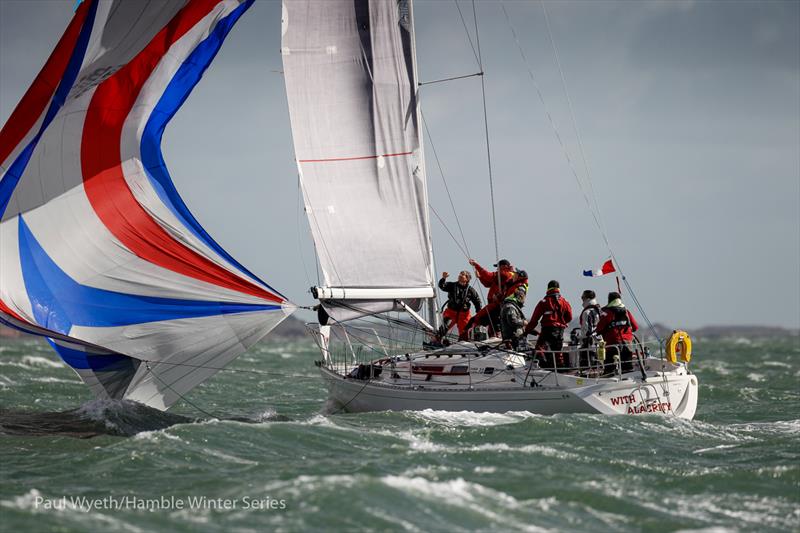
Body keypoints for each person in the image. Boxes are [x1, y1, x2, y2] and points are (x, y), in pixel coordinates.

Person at [460, 258, 521, 339]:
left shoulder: (504, 275)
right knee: (492, 323)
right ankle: (495, 337)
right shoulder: (505, 276)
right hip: (496, 304)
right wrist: (480, 277)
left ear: (504, 266)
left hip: (496, 305)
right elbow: (488, 284)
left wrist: (476, 265)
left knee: (476, 319)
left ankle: (463, 338)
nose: (497, 269)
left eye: (498, 267)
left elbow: (488, 276)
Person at [524, 280, 573, 370]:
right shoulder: (565, 302)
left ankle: (543, 366)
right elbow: (569, 317)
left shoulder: (544, 302)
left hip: (548, 329)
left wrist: (526, 331)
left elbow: (534, 320)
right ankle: (560, 369)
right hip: (560, 330)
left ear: (548, 288)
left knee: (539, 348)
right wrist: (561, 322)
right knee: (558, 351)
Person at [595, 291, 639, 375]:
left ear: (609, 300)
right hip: (627, 343)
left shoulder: (606, 312)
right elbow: (635, 327)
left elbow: (599, 329)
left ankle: (609, 379)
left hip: (612, 343)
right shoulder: (626, 311)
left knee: (609, 369)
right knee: (627, 368)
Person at [438, 270, 482, 336]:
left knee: (464, 333)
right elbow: (442, 286)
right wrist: (443, 278)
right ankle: (436, 340)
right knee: (443, 328)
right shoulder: (452, 285)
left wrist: (479, 313)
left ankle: (463, 343)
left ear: (467, 279)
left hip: (464, 315)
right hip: (451, 313)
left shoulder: (471, 290)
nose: (460, 275)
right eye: (460, 274)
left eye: (463, 274)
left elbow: (477, 301)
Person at [578, 289, 601, 368]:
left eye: (582, 297)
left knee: (587, 364)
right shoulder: (599, 310)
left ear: (587, 299)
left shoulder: (587, 312)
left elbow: (589, 330)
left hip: (590, 343)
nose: (581, 299)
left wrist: (585, 342)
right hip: (600, 341)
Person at [499, 285, 528, 350]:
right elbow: (513, 321)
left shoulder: (513, 306)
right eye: (523, 296)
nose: (524, 299)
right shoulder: (510, 307)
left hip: (518, 340)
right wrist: (524, 322)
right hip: (513, 341)